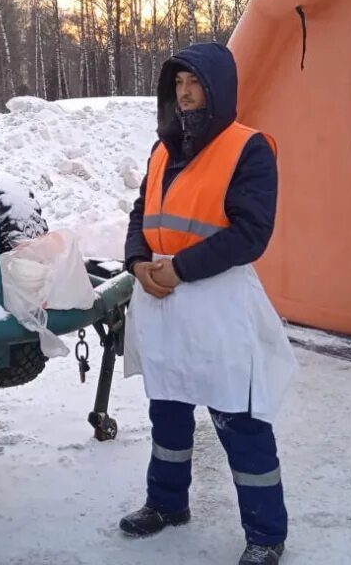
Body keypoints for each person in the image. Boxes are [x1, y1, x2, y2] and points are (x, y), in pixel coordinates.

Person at [119, 43, 296, 565]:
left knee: (239, 421)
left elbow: (251, 233)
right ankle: (167, 504)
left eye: (194, 83)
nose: (185, 93)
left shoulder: (249, 148)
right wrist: (136, 262)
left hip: (217, 304)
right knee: (167, 411)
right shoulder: (163, 149)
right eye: (177, 85)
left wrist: (178, 268)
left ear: (218, 89)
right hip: (162, 300)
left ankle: (266, 535)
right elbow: (140, 214)